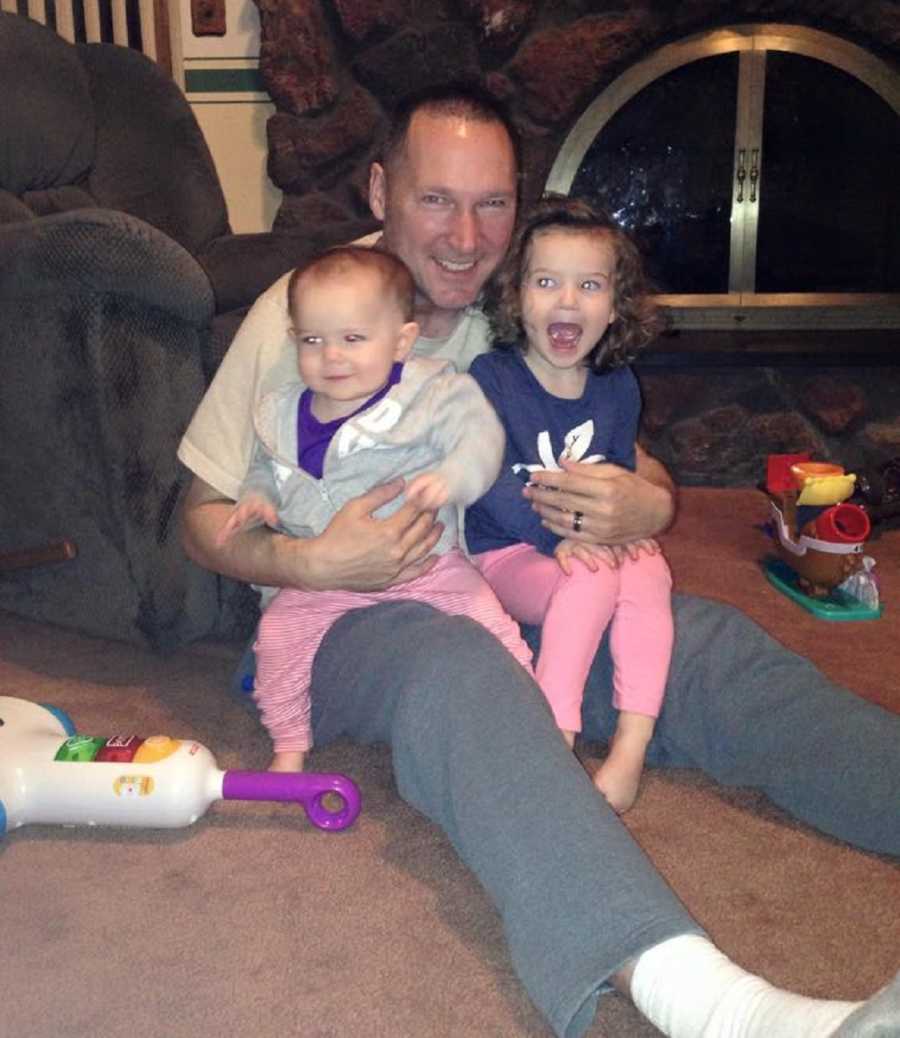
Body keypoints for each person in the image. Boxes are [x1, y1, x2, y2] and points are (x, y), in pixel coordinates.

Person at [178, 84, 899, 1038]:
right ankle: (714, 1005)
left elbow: (609, 440)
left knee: (699, 638)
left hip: (506, 578)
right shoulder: (307, 313)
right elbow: (198, 515)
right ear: (381, 188)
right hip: (340, 619)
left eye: (494, 204)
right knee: (465, 671)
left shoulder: (521, 311)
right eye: (438, 199)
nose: (468, 238)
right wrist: (312, 562)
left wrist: (656, 497)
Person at [215, 244, 531, 771]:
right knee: (277, 636)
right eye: (313, 340)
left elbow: (480, 439)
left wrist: (453, 477)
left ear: (402, 341)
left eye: (353, 339)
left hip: (427, 566)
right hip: (324, 577)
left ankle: (529, 710)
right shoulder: (281, 410)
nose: (331, 356)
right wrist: (259, 497)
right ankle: (289, 745)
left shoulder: (432, 392)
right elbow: (265, 466)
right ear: (294, 340)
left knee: (491, 624)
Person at [466, 196, 673, 814]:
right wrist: (563, 540)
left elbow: (617, 471)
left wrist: (625, 528)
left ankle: (630, 750)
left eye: (589, 285)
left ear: (614, 306)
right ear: (517, 297)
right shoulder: (491, 377)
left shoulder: (617, 387)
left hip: (581, 547)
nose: (567, 301)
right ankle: (554, 741)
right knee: (587, 578)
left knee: (651, 570)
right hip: (503, 554)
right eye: (546, 281)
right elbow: (487, 481)